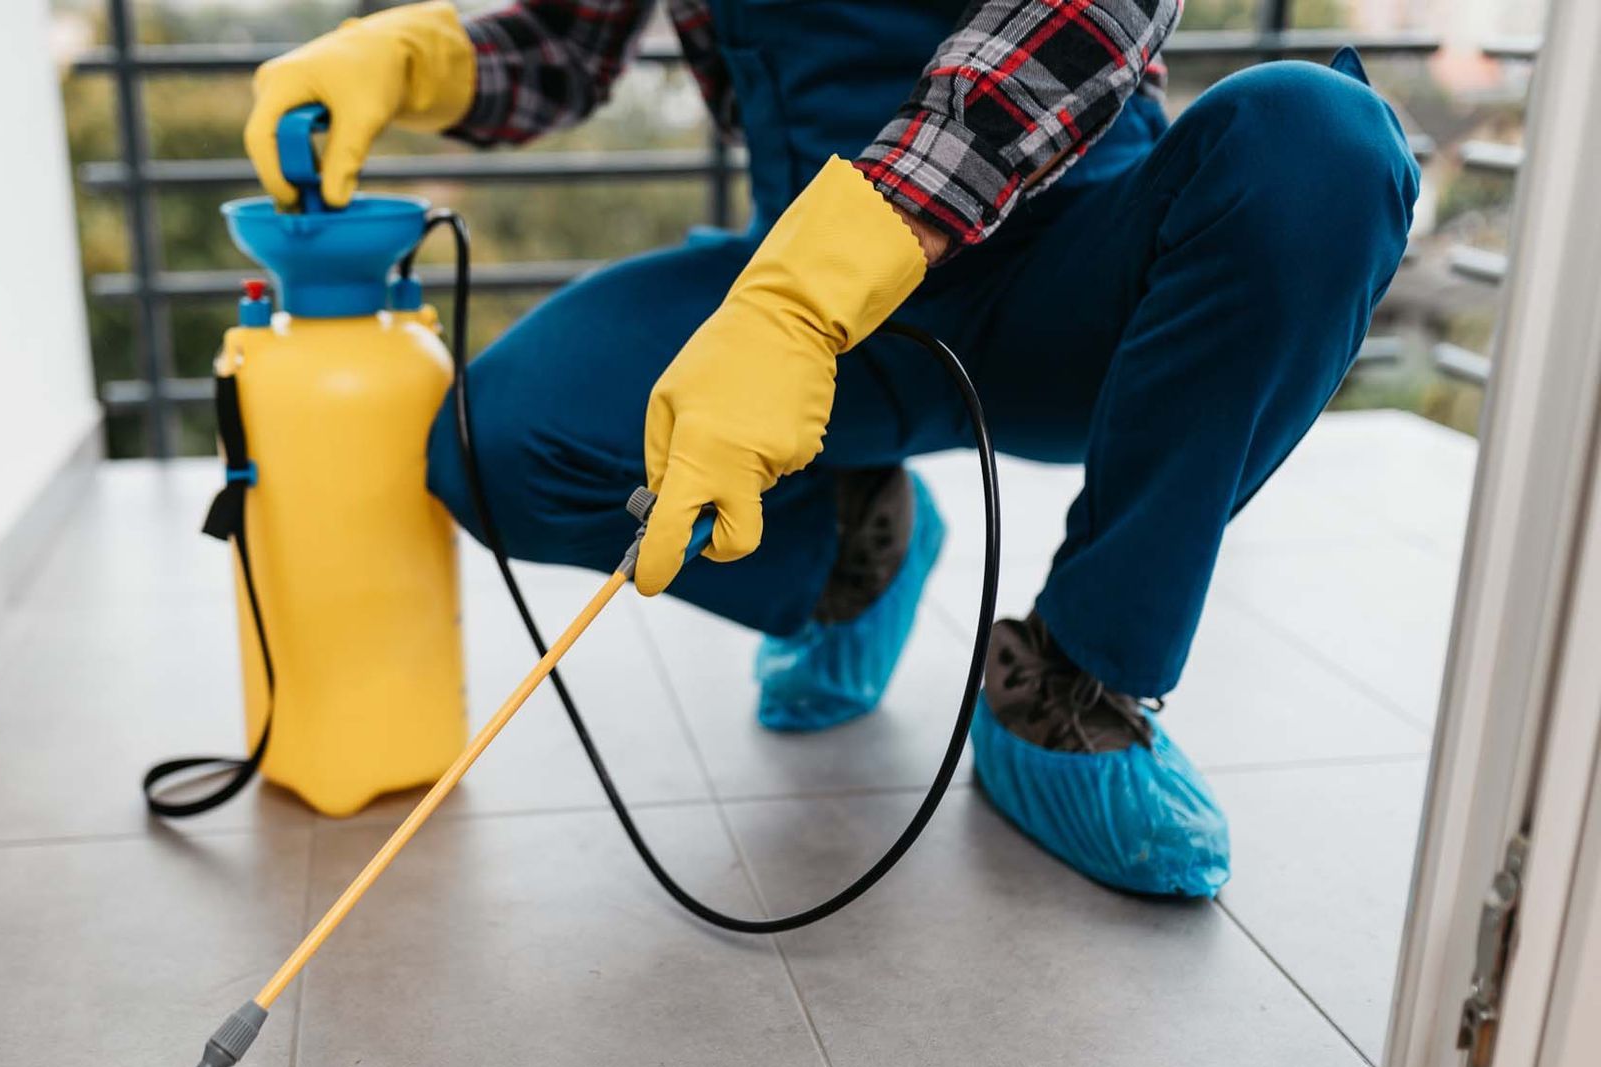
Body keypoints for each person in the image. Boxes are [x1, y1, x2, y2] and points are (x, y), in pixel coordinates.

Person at [243, 0, 1419, 899]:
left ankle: (1073, 674)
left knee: (1318, 147)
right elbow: (562, 47)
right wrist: (405, 57)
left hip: (1084, 280)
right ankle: (853, 542)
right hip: (810, 320)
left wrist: (814, 291)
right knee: (502, 442)